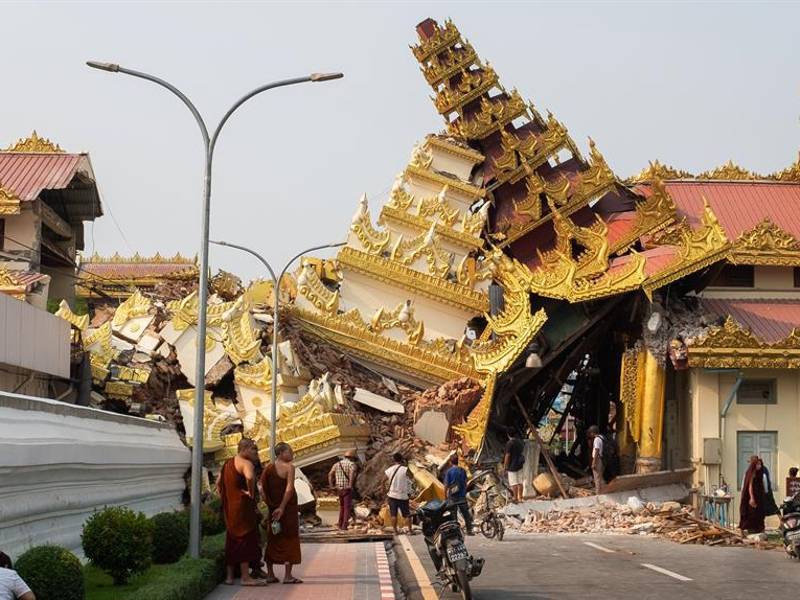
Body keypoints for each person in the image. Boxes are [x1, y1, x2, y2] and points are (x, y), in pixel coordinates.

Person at [218, 438, 265, 587]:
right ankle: (246, 577)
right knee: (244, 539)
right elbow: (250, 477)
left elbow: (219, 482)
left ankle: (229, 577)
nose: (255, 452)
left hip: (230, 506)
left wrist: (225, 495)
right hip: (243, 506)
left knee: (232, 539)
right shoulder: (246, 463)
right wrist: (250, 492)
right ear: (244, 449)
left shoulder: (228, 463)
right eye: (253, 449)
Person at [261, 442, 302, 584]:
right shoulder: (290, 468)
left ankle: (270, 574)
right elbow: (289, 489)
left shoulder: (268, 468)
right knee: (290, 538)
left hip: (273, 510)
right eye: (289, 451)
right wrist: (282, 507)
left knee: (273, 539)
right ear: (280, 453)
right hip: (287, 509)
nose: (292, 454)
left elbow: (262, 490)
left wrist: (271, 506)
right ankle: (288, 576)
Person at [443, 454, 474, 535]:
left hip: (452, 496)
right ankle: (469, 530)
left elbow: (446, 485)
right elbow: (466, 482)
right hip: (462, 496)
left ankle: (456, 531)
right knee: (466, 514)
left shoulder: (449, 472)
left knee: (453, 515)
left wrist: (445, 496)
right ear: (457, 461)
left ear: (450, 462)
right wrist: (463, 490)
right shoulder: (462, 470)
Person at [329, 449, 357, 531]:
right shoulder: (352, 464)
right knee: (347, 507)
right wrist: (350, 485)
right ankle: (344, 526)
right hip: (346, 488)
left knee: (341, 507)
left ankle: (340, 524)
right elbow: (352, 474)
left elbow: (330, 474)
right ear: (352, 457)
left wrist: (331, 486)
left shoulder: (337, 464)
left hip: (338, 488)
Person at [385, 452, 412, 535]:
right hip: (403, 496)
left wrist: (384, 491)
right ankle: (410, 531)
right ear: (401, 459)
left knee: (393, 514)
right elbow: (412, 477)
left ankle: (395, 531)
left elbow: (383, 481)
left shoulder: (389, 470)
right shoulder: (405, 469)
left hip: (392, 495)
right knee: (407, 514)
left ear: (394, 460)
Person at [740, 455, 766, 534]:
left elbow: (763, 486)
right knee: (751, 513)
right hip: (752, 497)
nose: (759, 466)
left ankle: (758, 529)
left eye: (760, 464)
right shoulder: (751, 473)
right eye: (757, 464)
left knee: (759, 513)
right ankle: (749, 530)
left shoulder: (760, 473)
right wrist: (752, 498)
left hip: (759, 497)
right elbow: (750, 486)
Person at [503, 427, 525, 503]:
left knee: (514, 483)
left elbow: (507, 456)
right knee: (520, 482)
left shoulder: (509, 443)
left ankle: (515, 498)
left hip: (512, 466)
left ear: (507, 434)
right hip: (520, 465)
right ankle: (521, 498)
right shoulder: (519, 442)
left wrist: (505, 466)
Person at [587, 425, 604, 495]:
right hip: (600, 459)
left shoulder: (597, 439)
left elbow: (597, 450)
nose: (590, 434)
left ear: (593, 432)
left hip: (597, 459)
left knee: (596, 477)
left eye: (591, 433)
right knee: (599, 477)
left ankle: (598, 493)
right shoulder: (601, 438)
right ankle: (602, 491)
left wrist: (594, 462)